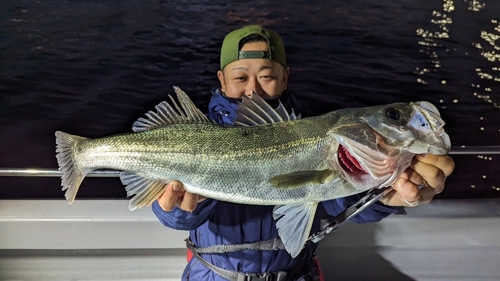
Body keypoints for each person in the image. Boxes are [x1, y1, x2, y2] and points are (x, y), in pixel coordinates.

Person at [152, 25, 455, 281]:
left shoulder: (312, 129)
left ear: (285, 77)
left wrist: (384, 196)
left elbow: (339, 202)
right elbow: (173, 217)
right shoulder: (196, 133)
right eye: (241, 78)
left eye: (266, 76)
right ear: (222, 80)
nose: (253, 90)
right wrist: (180, 212)